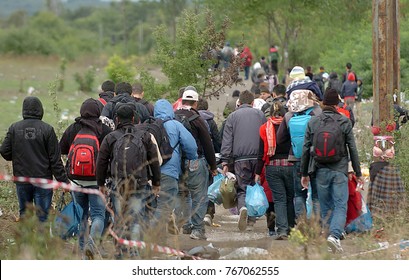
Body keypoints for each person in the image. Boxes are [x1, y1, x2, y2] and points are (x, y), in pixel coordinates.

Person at [300, 88, 364, 253]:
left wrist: (304, 174)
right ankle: (334, 236)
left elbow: (306, 149)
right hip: (339, 169)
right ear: (337, 103)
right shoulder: (344, 122)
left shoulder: (313, 122)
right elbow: (353, 149)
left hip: (320, 170)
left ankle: (330, 237)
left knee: (325, 206)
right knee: (340, 205)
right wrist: (358, 173)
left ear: (323, 103)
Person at [96, 103, 161, 258]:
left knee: (119, 220)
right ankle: (135, 253)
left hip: (118, 186)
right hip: (139, 184)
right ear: (133, 118)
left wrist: (100, 184)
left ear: (117, 119)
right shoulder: (144, 136)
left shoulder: (110, 137)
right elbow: (154, 161)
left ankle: (120, 254)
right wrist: (157, 183)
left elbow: (101, 162)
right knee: (137, 219)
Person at [0, 96, 69, 223]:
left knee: (24, 215)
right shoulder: (48, 129)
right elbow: (55, 160)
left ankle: (25, 242)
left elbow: (4, 151)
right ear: (40, 110)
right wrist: (64, 181)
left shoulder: (14, 128)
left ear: (23, 110)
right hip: (43, 180)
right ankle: (41, 243)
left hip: (22, 179)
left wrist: (16, 156)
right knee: (42, 217)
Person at [59, 98, 112, 259]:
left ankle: (83, 252)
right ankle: (92, 245)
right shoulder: (104, 130)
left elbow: (61, 149)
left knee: (81, 215)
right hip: (97, 182)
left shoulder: (74, 128)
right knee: (98, 215)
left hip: (76, 181)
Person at [220, 90, 267, 231]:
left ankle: (242, 209)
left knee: (242, 188)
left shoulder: (232, 117)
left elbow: (227, 140)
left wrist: (225, 161)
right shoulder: (260, 115)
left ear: (239, 102)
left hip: (240, 158)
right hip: (258, 157)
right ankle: (252, 220)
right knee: (254, 187)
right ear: (253, 103)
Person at [174, 89, 218, 240]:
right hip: (195, 162)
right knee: (199, 196)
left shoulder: (173, 117)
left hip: (175, 163)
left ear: (182, 100)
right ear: (196, 103)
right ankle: (197, 230)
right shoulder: (197, 119)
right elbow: (207, 144)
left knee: (182, 195)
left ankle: (185, 225)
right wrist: (213, 166)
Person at [151, 99, 198, 236]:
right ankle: (149, 237)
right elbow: (191, 146)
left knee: (153, 206)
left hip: (148, 173)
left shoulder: (149, 125)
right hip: (169, 172)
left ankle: (154, 235)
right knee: (165, 206)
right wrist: (191, 158)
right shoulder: (176, 125)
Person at [276, 89, 322, 219]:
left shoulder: (289, 116)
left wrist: (293, 143)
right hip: (315, 159)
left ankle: (301, 224)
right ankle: (317, 225)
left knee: (299, 194)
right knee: (316, 195)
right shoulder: (317, 114)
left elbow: (279, 140)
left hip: (296, 158)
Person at [256, 101, 294, 239]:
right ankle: (291, 229)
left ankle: (282, 230)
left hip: (272, 167)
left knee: (279, 200)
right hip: (290, 165)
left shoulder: (264, 128)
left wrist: (257, 173)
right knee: (290, 198)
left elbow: (261, 154)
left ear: (270, 113)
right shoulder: (291, 125)